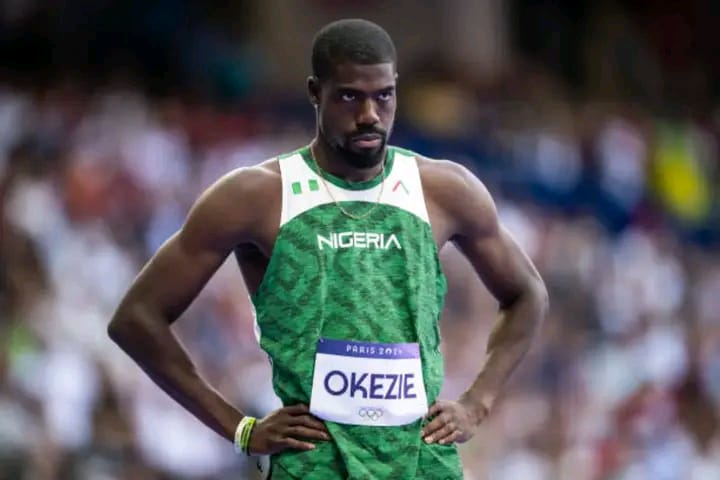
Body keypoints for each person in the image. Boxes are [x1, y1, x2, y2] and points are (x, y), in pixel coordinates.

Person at [108, 18, 548, 479]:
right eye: (350, 97)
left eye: (384, 96)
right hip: (315, 465)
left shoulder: (444, 189)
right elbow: (136, 318)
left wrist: (477, 403)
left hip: (421, 463)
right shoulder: (257, 195)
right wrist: (240, 429)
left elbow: (528, 294)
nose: (370, 115)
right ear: (315, 93)